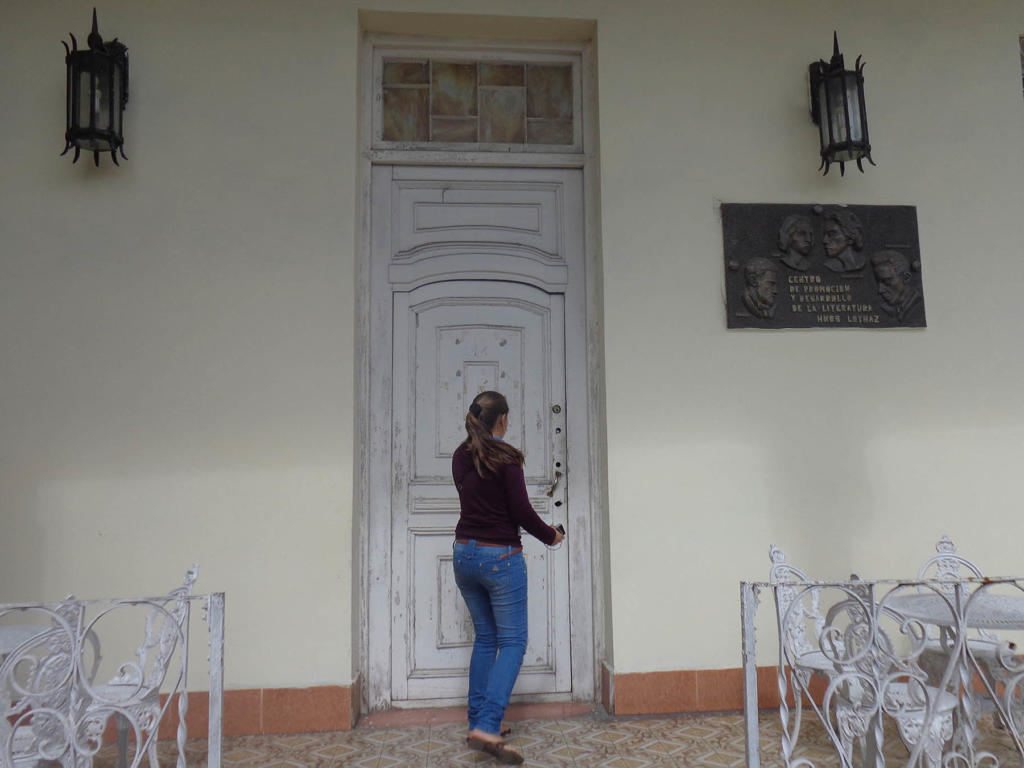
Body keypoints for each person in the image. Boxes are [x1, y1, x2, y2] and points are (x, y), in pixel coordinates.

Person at [452, 391, 563, 765]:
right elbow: (520, 512)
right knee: (513, 641)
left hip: (463, 553)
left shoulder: (459, 455)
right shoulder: (507, 458)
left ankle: (477, 721)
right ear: (501, 420)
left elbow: (473, 501)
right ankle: (487, 724)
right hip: (500, 557)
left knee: (486, 637)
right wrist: (552, 535)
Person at [871, 249, 921, 322]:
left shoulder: (916, 303)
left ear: (906, 278)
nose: (880, 290)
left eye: (886, 281)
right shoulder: (887, 309)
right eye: (878, 282)